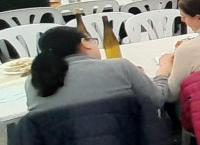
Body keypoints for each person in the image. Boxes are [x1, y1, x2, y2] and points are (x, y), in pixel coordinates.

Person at [26, 26, 169, 111]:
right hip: (124, 144)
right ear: (85, 43)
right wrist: (163, 72)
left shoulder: (34, 81)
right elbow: (157, 99)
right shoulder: (119, 66)